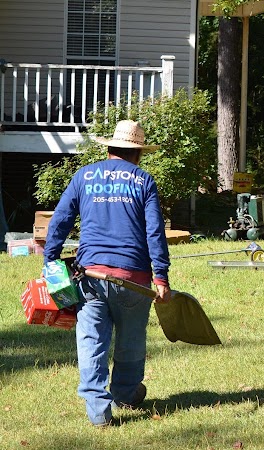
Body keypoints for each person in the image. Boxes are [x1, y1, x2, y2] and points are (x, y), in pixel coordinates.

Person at [43, 120, 171, 427]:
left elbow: (59, 220)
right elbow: (155, 231)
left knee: (92, 341)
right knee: (131, 337)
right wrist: (161, 277)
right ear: (137, 153)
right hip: (134, 279)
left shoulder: (84, 175)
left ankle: (98, 410)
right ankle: (126, 392)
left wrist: (51, 262)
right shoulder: (143, 181)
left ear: (110, 147)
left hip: (91, 277)